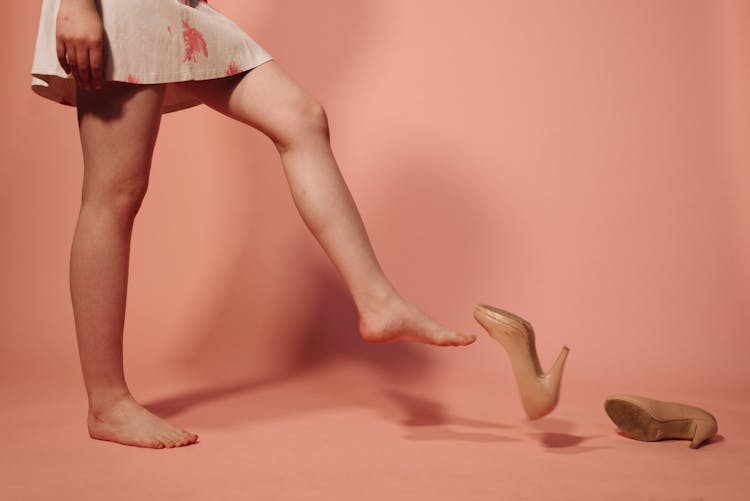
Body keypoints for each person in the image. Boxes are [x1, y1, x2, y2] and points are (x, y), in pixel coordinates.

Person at [30, 0, 476, 449]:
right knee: (115, 193)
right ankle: (107, 402)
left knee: (301, 116)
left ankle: (378, 301)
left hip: (177, 7)